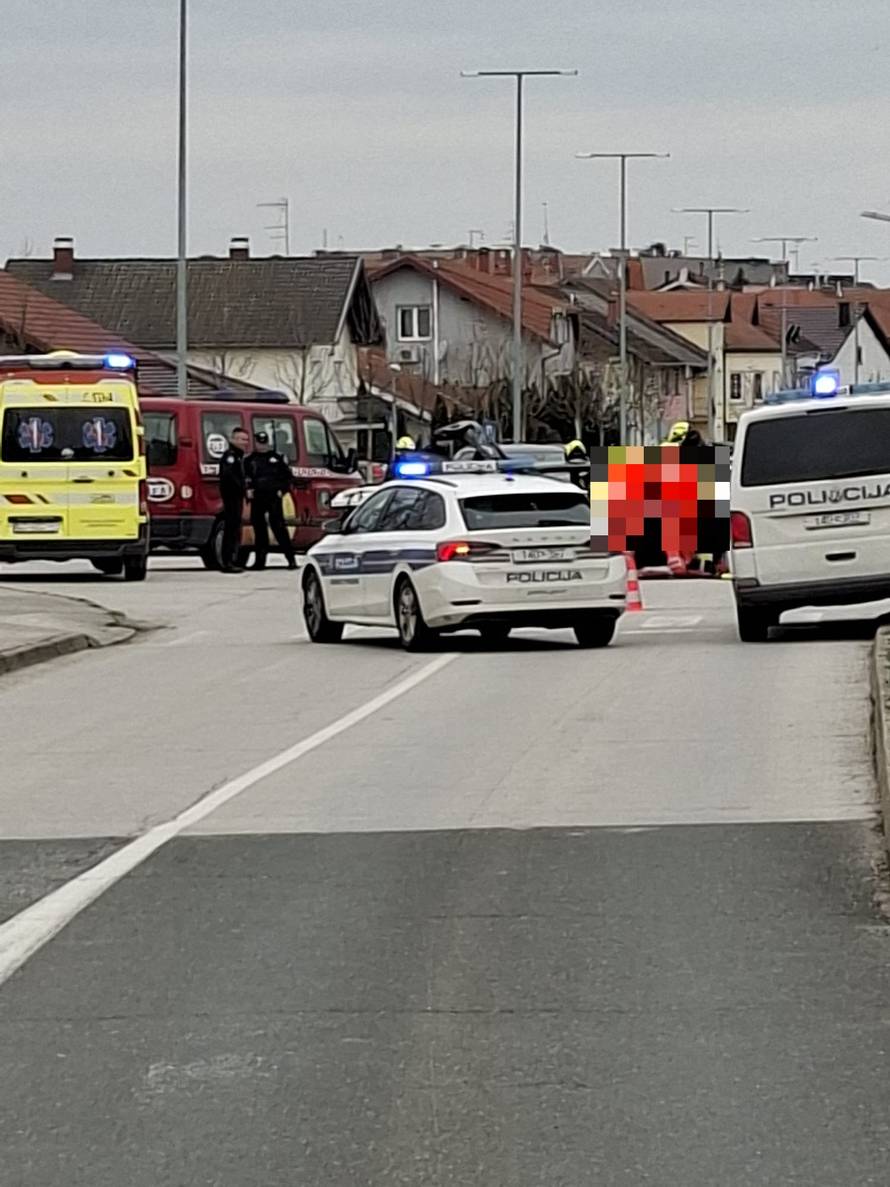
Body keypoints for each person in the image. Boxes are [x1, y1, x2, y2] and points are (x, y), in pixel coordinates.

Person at [244, 431, 297, 570]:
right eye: (258, 442)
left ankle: (291, 559)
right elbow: (246, 477)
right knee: (259, 530)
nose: (261, 445)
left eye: (263, 442)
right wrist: (248, 489)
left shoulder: (276, 458)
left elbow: (288, 478)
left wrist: (282, 490)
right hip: (258, 497)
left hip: (273, 497)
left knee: (279, 528)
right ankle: (259, 562)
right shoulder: (250, 460)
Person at [217, 426, 249, 573]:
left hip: (237, 497)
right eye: (242, 439)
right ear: (233, 439)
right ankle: (227, 562)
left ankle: (233, 559)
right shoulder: (230, 456)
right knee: (231, 529)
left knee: (236, 529)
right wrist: (242, 489)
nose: (245, 442)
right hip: (231, 497)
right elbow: (230, 478)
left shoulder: (238, 456)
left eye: (246, 440)